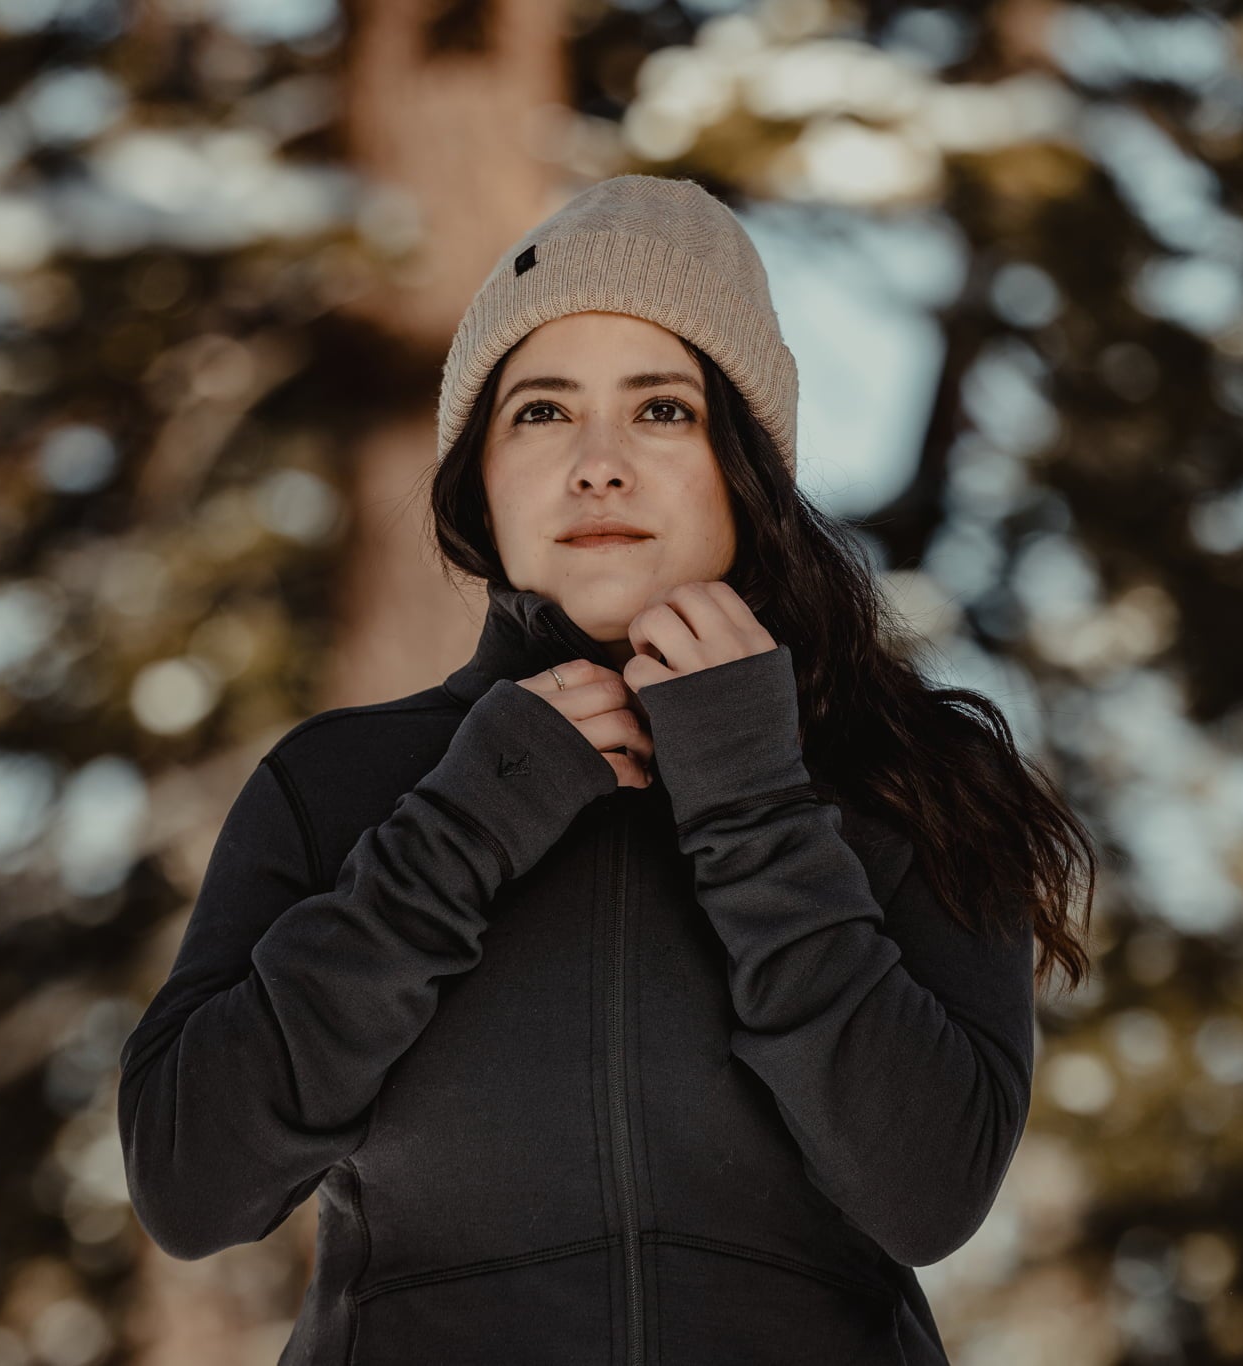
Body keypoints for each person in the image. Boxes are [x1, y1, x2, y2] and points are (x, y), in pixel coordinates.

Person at [118, 174, 1097, 1364]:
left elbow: (925, 1191)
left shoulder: (913, 781)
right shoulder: (340, 782)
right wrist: (459, 827)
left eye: (660, 411)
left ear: (745, 466)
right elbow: (190, 1183)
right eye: (538, 411)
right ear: (477, 472)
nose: (596, 463)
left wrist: (752, 798)